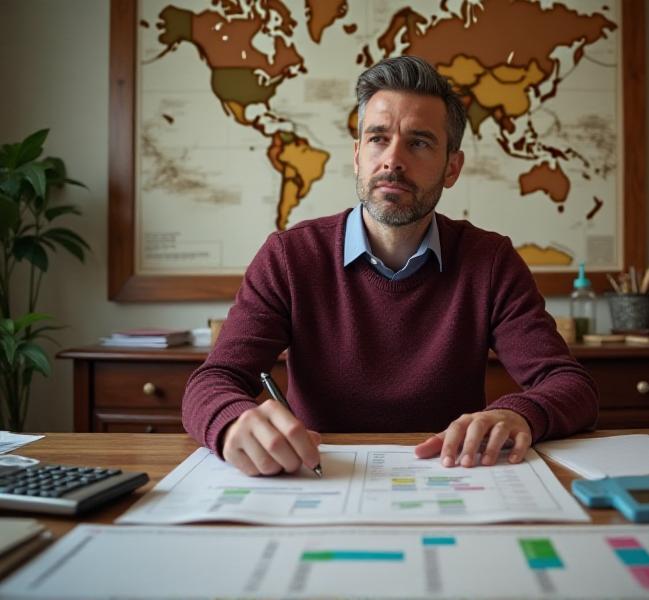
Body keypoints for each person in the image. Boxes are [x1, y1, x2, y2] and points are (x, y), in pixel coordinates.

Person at [182, 56, 598, 477]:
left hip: (450, 477)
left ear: (452, 167)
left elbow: (570, 385)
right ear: (358, 154)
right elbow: (211, 382)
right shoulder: (289, 257)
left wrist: (520, 414)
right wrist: (234, 420)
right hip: (319, 479)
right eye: (379, 138)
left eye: (418, 142)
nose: (393, 160)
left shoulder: (490, 262)